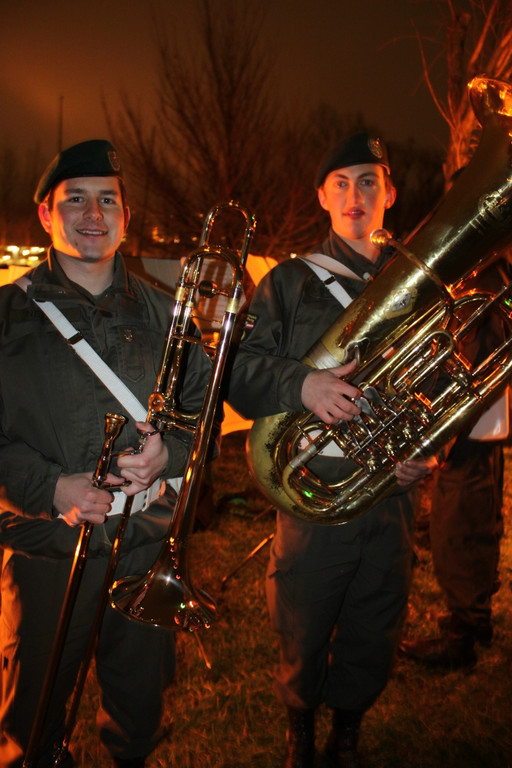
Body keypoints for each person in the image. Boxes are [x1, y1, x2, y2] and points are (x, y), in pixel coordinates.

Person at [227, 132, 436, 768]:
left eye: (369, 181)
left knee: (378, 615)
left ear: (390, 193)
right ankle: (301, 723)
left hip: (391, 490)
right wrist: (303, 384)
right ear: (322, 196)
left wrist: (430, 448)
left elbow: (443, 379)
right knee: (303, 613)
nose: (355, 195)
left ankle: (348, 726)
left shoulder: (421, 280)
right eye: (341, 184)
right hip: (315, 484)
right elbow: (238, 370)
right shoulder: (290, 282)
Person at [0, 139, 212, 767]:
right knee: (33, 716)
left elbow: (200, 412)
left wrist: (171, 455)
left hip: (143, 546)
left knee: (140, 707)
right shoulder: (5, 316)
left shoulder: (167, 314)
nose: (93, 214)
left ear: (126, 215)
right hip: (46, 548)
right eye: (75, 200)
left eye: (107, 200)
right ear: (46, 213)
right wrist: (51, 487)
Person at [400, 252, 510, 670]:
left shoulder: (486, 279)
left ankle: (463, 635)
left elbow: (474, 372)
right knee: (470, 524)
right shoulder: (491, 275)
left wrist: (439, 446)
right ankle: (473, 619)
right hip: (477, 431)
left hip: (468, 433)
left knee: (459, 531)